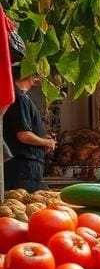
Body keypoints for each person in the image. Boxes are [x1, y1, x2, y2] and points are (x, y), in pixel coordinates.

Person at [3, 63, 55, 192]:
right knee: (22, 205)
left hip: (22, 165)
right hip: (23, 166)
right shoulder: (20, 98)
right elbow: (24, 135)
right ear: (28, 75)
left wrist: (41, 141)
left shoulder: (15, 97)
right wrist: (47, 142)